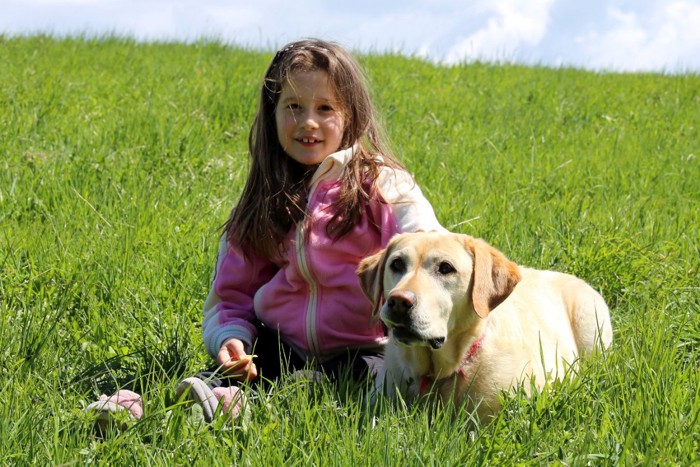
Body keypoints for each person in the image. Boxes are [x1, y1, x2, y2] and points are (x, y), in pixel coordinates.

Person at [88, 38, 444, 426]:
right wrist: (230, 339)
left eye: (325, 108)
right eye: (293, 107)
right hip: (279, 344)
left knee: (360, 381)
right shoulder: (263, 199)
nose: (308, 121)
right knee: (238, 371)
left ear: (352, 116)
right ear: (272, 114)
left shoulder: (386, 187)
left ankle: (237, 408)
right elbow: (232, 294)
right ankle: (143, 409)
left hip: (364, 348)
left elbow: (431, 248)